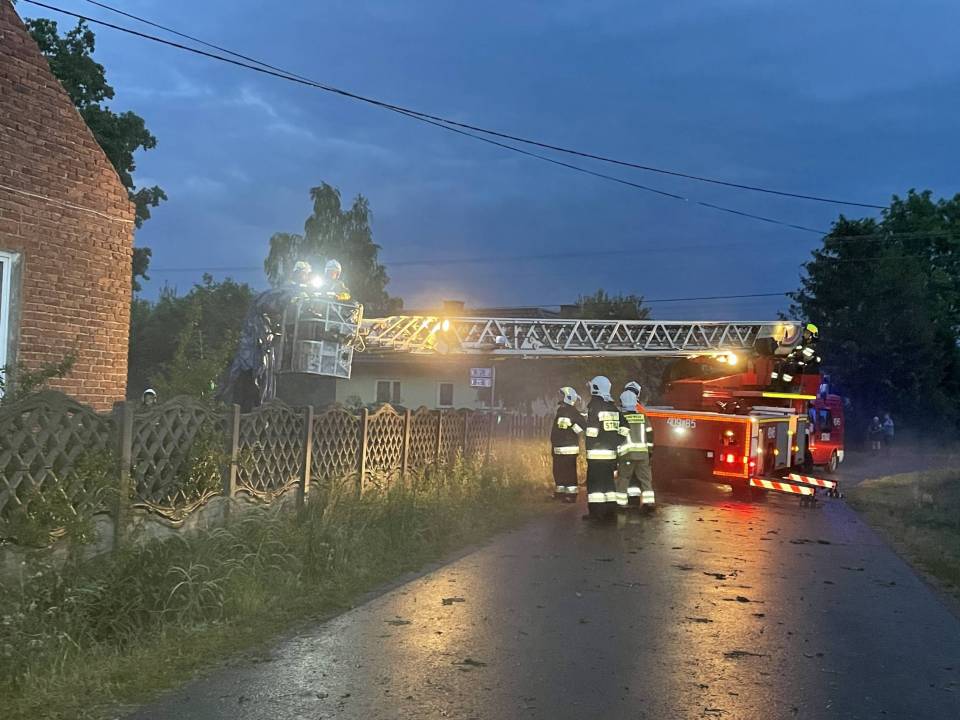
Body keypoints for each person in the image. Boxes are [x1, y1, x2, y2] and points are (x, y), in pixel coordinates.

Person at [583, 375, 621, 521]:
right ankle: (610, 512)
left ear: (595, 388)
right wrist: (616, 442)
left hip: (596, 455)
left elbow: (592, 431)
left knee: (595, 485)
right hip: (611, 454)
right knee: (608, 483)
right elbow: (623, 427)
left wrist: (590, 445)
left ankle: (596, 513)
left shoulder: (595, 406)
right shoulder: (612, 407)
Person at [616, 389, 656, 511]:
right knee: (645, 479)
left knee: (624, 478)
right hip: (643, 455)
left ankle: (621, 504)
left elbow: (618, 436)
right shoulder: (643, 417)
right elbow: (650, 434)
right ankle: (649, 504)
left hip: (627, 455)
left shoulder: (621, 417)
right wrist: (649, 451)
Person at [550, 386, 583, 502]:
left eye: (562, 395)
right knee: (558, 471)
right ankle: (560, 493)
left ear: (567, 397)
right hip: (558, 448)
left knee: (569, 472)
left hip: (569, 448)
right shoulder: (561, 411)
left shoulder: (573, 412)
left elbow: (581, 428)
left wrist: (572, 426)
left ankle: (571, 495)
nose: (559, 397)